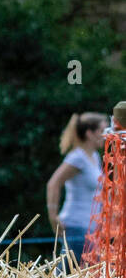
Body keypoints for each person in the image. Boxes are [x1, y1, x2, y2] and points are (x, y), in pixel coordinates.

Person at [46, 111, 109, 264]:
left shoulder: (93, 156)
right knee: (71, 276)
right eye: (102, 131)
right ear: (89, 133)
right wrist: (53, 217)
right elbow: (54, 183)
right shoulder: (77, 157)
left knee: (76, 277)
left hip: (90, 228)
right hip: (76, 226)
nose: (106, 135)